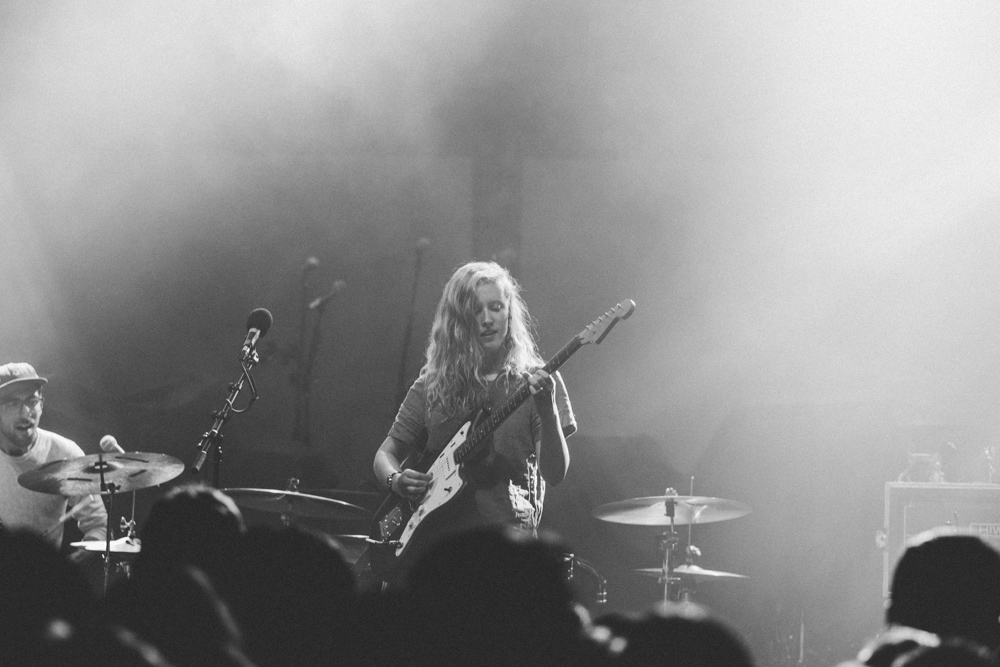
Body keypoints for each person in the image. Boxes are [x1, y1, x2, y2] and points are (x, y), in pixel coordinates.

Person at [372, 261, 576, 572]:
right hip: (436, 546)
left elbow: (556, 474)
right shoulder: (432, 384)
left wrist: (548, 413)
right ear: (458, 320)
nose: (487, 320)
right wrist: (396, 480)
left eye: (495, 307)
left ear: (509, 311)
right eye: (475, 311)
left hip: (507, 547)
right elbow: (386, 453)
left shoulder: (536, 382)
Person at [0, 362, 106, 548]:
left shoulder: (64, 453)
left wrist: (72, 565)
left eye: (32, 402)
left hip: (43, 574)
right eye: (12, 404)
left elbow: (99, 525)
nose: (25, 413)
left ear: (42, 404)